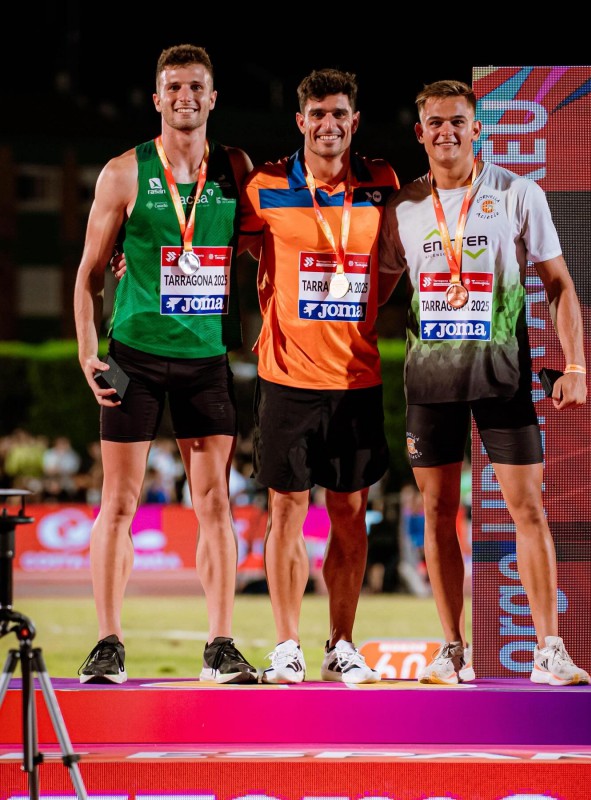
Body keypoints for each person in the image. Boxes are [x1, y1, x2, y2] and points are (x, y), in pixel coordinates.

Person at [378, 79, 591, 687]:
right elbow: (374, 286)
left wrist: (573, 365)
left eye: (458, 121)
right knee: (439, 512)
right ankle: (452, 650)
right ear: (419, 133)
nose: (447, 131)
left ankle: (549, 648)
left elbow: (558, 285)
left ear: (479, 129)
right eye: (435, 123)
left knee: (528, 510)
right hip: (431, 382)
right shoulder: (403, 207)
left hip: (503, 379)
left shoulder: (518, 193)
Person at [73, 44, 258, 685]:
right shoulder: (123, 173)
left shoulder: (235, 167)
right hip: (133, 359)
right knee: (117, 502)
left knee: (214, 505)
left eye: (196, 86)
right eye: (173, 86)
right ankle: (107, 644)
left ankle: (220, 646)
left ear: (212, 97)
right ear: (157, 99)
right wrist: (87, 350)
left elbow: (263, 248)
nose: (185, 96)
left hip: (206, 361)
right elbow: (88, 273)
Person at [239, 68, 401, 683]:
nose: (329, 124)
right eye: (318, 114)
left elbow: (392, 261)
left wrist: (370, 303)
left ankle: (341, 644)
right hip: (285, 378)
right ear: (300, 121)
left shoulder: (380, 183)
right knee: (285, 511)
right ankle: (286, 646)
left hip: (356, 379)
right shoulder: (267, 184)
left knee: (351, 515)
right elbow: (226, 245)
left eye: (340, 114)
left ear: (354, 122)